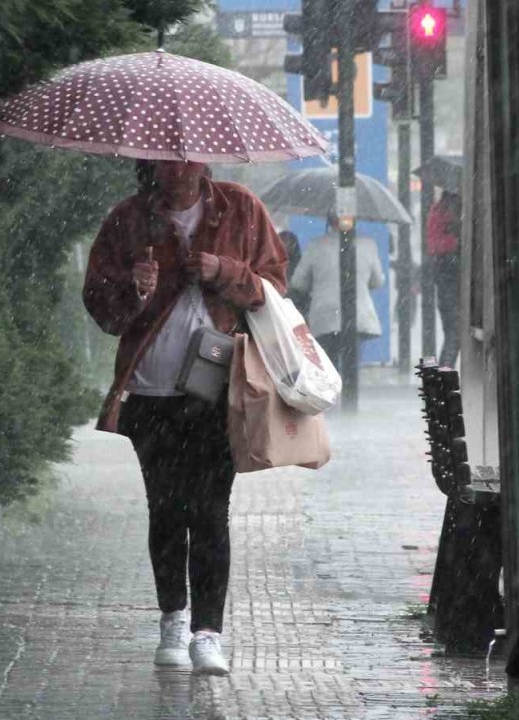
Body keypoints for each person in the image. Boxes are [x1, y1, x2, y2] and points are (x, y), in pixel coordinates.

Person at [82, 160, 286, 676]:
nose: (178, 168)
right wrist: (134, 288)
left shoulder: (240, 208)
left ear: (205, 158)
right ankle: (173, 620)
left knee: (211, 511)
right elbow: (103, 310)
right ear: (150, 163)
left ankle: (208, 634)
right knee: (167, 510)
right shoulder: (129, 219)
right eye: (166, 159)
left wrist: (226, 273)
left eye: (188, 156)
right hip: (151, 392)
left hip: (219, 389)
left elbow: (275, 290)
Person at [288, 213, 386, 370]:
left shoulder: (316, 245)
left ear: (329, 221)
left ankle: (335, 391)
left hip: (324, 316)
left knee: (329, 366)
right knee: (351, 365)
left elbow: (298, 283)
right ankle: (350, 391)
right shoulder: (368, 244)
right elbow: (378, 281)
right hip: (357, 315)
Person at [426, 190, 462, 367]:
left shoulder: (437, 210)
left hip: (443, 278)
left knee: (452, 333)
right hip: (450, 278)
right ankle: (444, 380)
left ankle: (443, 382)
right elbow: (438, 245)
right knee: (455, 334)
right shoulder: (446, 214)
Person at [277, 228, 310, 316]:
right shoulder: (301, 265)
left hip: (292, 309)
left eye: (287, 243)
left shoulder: (300, 267)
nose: (285, 247)